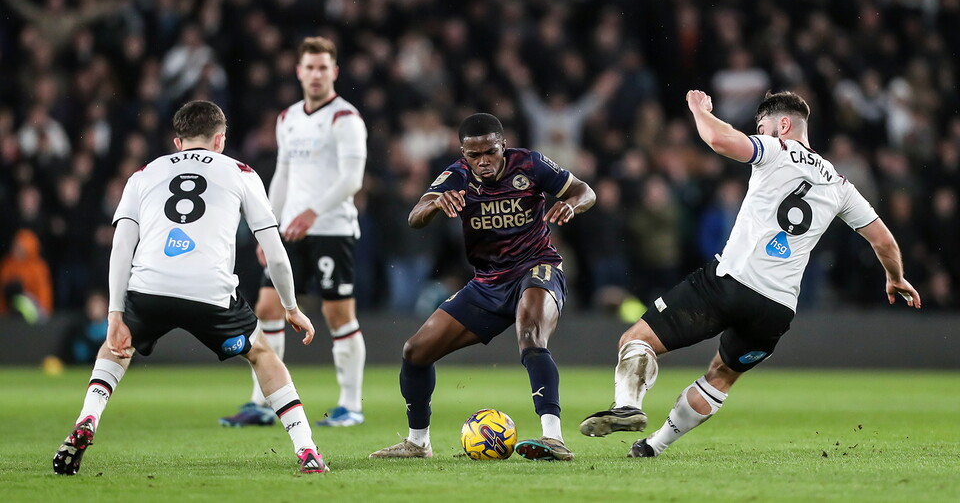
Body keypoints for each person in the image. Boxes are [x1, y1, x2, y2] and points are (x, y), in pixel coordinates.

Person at [579, 90, 922, 458]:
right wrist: (895, 277)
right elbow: (884, 240)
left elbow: (718, 139)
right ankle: (654, 446)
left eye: (762, 127)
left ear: (783, 125)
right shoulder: (841, 185)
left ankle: (629, 404)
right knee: (721, 377)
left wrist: (699, 110)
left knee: (637, 339)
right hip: (777, 309)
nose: (760, 132)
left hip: (730, 282)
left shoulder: (776, 149)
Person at [52, 101, 330, 475]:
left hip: (149, 286)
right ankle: (307, 449)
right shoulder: (241, 172)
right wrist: (291, 307)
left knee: (117, 346)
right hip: (210, 292)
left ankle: (88, 417)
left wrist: (115, 314)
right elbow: (275, 253)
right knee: (263, 354)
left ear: (177, 141)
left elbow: (121, 248)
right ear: (220, 140)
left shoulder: (144, 174)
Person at [370, 113, 596, 462]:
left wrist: (570, 203)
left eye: (490, 152)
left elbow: (586, 191)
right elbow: (414, 217)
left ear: (502, 145)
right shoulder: (456, 175)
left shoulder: (531, 164)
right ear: (464, 153)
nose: (483, 161)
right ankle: (418, 443)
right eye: (474, 155)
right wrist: (434, 204)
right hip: (488, 282)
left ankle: (553, 437)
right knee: (415, 351)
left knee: (531, 335)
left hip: (537, 267)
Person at [220, 36, 368, 428]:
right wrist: (266, 226)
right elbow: (282, 174)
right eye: (310, 67)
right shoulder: (287, 119)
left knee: (338, 315)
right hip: (291, 229)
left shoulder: (346, 119)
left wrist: (312, 212)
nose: (316, 74)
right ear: (298, 72)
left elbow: (353, 179)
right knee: (267, 308)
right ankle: (264, 402)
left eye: (323, 67)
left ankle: (350, 406)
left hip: (332, 229)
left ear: (334, 72)